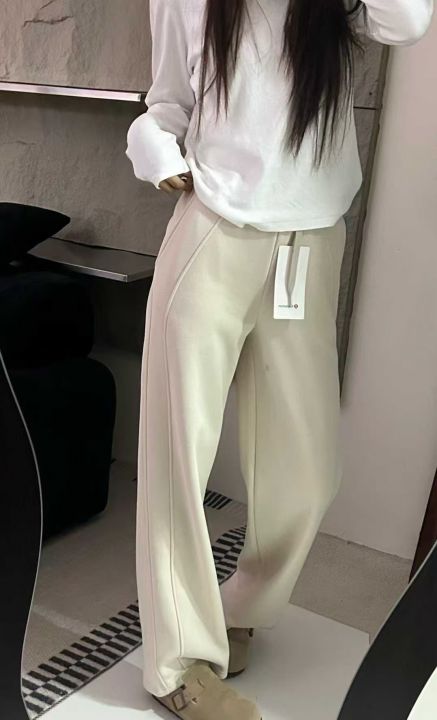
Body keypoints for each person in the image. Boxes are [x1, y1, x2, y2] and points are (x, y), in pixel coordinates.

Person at [125, 1, 434, 718]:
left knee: (308, 471)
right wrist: (159, 150)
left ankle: (240, 608)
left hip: (309, 244)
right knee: (177, 457)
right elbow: (167, 101)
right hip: (212, 232)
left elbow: (409, 20)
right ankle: (177, 664)